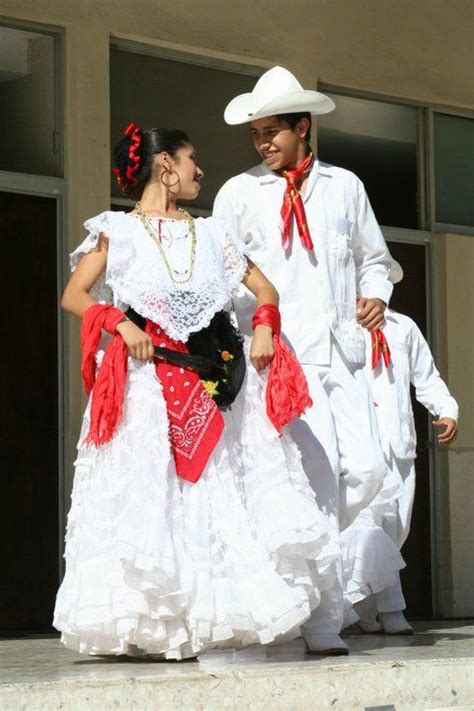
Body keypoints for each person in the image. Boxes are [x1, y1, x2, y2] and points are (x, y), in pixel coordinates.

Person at [53, 123, 341, 660]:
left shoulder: (213, 235)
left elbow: (265, 290)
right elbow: (75, 294)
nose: (199, 171)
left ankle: (218, 616)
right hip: (145, 387)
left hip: (213, 383)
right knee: (154, 500)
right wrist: (119, 323)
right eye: (190, 160)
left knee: (218, 496)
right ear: (165, 165)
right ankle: (158, 625)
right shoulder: (115, 231)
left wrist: (262, 327)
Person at [213, 66, 394, 654]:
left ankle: (312, 578)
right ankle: (321, 617)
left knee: (366, 472)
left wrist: (376, 295)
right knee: (313, 479)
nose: (263, 142)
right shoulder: (239, 194)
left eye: (273, 131)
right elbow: (218, 274)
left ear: (303, 127)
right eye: (256, 133)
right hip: (281, 357)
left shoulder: (345, 186)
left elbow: (374, 257)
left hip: (342, 352)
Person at [342, 261, 459, 634]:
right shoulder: (340, 324)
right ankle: (393, 611)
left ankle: (362, 610)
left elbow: (425, 377)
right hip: (358, 442)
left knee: (397, 530)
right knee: (367, 525)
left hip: (400, 443)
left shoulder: (403, 327)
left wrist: (447, 409)